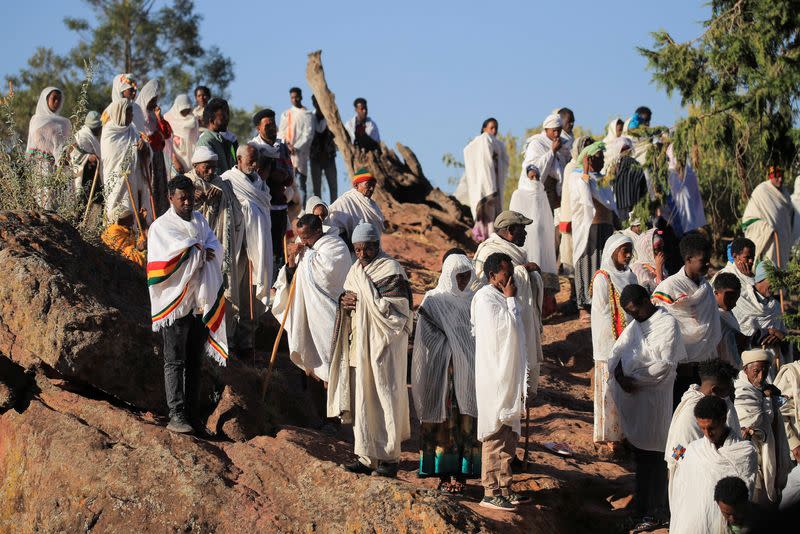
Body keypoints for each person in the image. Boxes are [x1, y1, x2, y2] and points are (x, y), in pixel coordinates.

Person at [327, 222, 412, 478]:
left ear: (377, 245)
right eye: (358, 250)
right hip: (359, 346)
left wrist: (363, 299)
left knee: (385, 398)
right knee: (362, 400)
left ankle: (389, 458)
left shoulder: (391, 269)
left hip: (384, 347)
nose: (362, 255)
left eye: (367, 249)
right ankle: (366, 457)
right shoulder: (354, 271)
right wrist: (343, 300)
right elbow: (346, 299)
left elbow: (400, 312)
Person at [147, 175, 228, 433]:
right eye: (181, 197)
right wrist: (197, 251)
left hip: (198, 303)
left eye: (190, 197)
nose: (187, 202)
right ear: (171, 198)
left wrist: (201, 251)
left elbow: (215, 248)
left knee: (195, 361)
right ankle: (176, 415)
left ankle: (193, 417)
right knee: (174, 360)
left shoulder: (201, 221)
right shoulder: (162, 227)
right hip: (175, 303)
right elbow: (164, 262)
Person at [608, 283, 686, 529]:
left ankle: (657, 510)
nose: (634, 316)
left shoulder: (667, 324)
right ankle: (641, 507)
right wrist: (622, 377)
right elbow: (617, 355)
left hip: (656, 400)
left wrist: (635, 377)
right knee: (641, 457)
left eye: (636, 310)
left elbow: (662, 366)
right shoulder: (635, 327)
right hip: (638, 401)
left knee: (658, 457)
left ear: (647, 300)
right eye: (630, 313)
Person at [272, 213, 351, 428]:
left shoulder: (335, 247)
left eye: (305, 237)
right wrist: (291, 260)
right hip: (305, 315)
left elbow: (330, 278)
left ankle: (334, 419)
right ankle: (319, 418)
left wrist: (307, 257)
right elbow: (290, 276)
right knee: (310, 366)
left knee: (329, 366)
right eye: (300, 237)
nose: (302, 241)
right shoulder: (304, 248)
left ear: (318, 231)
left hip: (327, 316)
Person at [411, 253, 480, 493]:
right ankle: (442, 475)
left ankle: (462, 476)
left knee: (465, 421)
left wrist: (463, 346)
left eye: (465, 276)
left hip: (468, 371)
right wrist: (451, 343)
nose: (462, 281)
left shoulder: (475, 300)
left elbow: (478, 334)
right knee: (442, 422)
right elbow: (424, 336)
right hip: (441, 372)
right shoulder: (434, 299)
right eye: (457, 277)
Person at [472, 252, 532, 511]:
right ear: (491, 275)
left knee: (509, 436)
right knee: (496, 433)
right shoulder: (485, 299)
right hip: (495, 377)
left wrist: (510, 301)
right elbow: (503, 334)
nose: (509, 279)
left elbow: (519, 332)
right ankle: (490, 490)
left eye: (510, 273)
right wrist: (510, 301)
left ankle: (505, 487)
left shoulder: (503, 297)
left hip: (509, 376)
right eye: (505, 274)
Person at [472, 211, 544, 396]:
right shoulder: (490, 250)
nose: (526, 234)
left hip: (519, 316)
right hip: (502, 321)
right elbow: (489, 283)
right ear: (510, 230)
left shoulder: (515, 251)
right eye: (522, 230)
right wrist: (523, 270)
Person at [669, 395, 758, 534]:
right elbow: (681, 489)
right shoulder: (693, 450)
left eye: (711, 428)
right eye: (702, 428)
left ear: (723, 419)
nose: (707, 433)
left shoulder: (745, 452)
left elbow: (744, 495)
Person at [652, 233, 721, 402]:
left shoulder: (706, 288)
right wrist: (680, 360)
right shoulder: (669, 287)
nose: (707, 264)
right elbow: (660, 328)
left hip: (705, 366)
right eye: (703, 260)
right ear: (688, 259)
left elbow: (711, 325)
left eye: (708, 259)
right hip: (680, 367)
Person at [186, 146, 243, 346]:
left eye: (213, 168)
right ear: (195, 166)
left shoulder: (223, 185)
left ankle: (222, 339)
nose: (211, 172)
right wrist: (193, 200)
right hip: (196, 252)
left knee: (221, 288)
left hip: (218, 250)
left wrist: (222, 197)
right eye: (206, 168)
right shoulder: (186, 183)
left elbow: (238, 217)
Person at [221, 143, 273, 356]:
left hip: (257, 248)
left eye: (255, 161)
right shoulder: (227, 181)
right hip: (236, 246)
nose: (254, 165)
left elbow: (264, 213)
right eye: (250, 161)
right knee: (232, 291)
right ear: (239, 160)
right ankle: (228, 340)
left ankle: (247, 341)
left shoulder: (262, 186)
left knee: (251, 294)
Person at [665, 360, 741, 491]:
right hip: (695, 484)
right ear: (715, 390)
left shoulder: (719, 403)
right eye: (727, 390)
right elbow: (678, 453)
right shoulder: (690, 414)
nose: (730, 394)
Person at [590, 233, 636, 449]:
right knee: (611, 390)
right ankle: (611, 437)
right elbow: (602, 315)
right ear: (612, 252)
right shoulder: (602, 278)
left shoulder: (631, 276)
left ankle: (626, 434)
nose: (627, 256)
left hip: (629, 343)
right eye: (623, 251)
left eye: (629, 251)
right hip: (608, 343)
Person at [734, 349, 791, 505]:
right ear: (746, 369)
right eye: (756, 371)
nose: (760, 377)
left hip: (768, 447)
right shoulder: (741, 391)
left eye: (764, 372)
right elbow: (757, 422)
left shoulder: (765, 388)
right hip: (751, 450)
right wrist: (766, 399)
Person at [569, 141, 615, 321]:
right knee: (587, 264)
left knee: (604, 265)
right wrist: (586, 172)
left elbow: (611, 204)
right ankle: (583, 306)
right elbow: (584, 197)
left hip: (605, 227)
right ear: (588, 159)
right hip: (589, 229)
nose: (603, 160)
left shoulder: (602, 178)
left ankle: (602, 302)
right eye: (599, 157)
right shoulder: (577, 176)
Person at [251, 108, 297, 270]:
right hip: (261, 208)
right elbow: (254, 178)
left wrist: (282, 177)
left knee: (280, 250)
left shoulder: (281, 146)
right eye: (267, 125)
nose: (272, 128)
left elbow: (290, 177)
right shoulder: (253, 148)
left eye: (273, 124)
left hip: (280, 206)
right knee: (263, 250)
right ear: (258, 128)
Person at [454, 118, 510, 242]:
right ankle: (484, 236)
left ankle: (491, 236)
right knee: (485, 210)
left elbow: (505, 162)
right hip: (483, 182)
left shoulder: (498, 144)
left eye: (496, 128)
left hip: (495, 181)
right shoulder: (482, 140)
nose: (494, 131)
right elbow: (474, 156)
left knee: (493, 212)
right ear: (484, 129)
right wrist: (488, 185)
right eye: (491, 128)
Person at [509, 164, 559, 298]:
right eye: (531, 176)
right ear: (525, 178)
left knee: (542, 265)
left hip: (542, 238)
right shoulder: (518, 194)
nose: (535, 179)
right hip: (526, 238)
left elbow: (547, 219)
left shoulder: (542, 194)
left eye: (537, 176)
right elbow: (514, 217)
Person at [101, 100, 152, 225]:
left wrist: (144, 147)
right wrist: (135, 148)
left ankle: (132, 240)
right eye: (127, 112)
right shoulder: (109, 132)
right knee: (115, 213)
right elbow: (114, 157)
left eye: (131, 111)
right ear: (119, 113)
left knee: (132, 213)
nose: (131, 115)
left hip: (132, 180)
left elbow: (145, 153)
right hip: (116, 180)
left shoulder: (133, 130)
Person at [558, 135, 593, 314]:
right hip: (574, 221)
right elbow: (566, 197)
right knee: (573, 259)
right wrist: (566, 220)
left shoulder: (593, 170)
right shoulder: (571, 167)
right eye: (584, 146)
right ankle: (575, 298)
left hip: (589, 222)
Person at [734, 262, 787, 371]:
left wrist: (779, 336)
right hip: (750, 364)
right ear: (761, 279)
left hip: (773, 364)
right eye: (772, 279)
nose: (776, 284)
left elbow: (784, 337)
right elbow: (738, 334)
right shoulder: (742, 301)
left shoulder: (776, 306)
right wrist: (763, 333)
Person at [26, 87, 72, 206]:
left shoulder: (65, 123)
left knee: (61, 199)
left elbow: (67, 144)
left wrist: (62, 157)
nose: (57, 102)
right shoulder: (36, 120)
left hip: (61, 168)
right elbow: (34, 143)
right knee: (44, 198)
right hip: (43, 166)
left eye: (59, 99)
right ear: (45, 100)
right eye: (54, 99)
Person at [743, 165, 793, 269]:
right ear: (770, 177)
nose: (780, 179)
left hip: (784, 241)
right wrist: (766, 228)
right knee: (769, 273)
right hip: (769, 240)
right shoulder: (762, 191)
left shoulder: (786, 194)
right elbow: (747, 221)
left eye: (781, 176)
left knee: (784, 273)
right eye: (777, 177)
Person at [135, 79, 173, 215]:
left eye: (156, 99)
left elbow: (166, 134)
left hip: (157, 157)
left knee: (159, 188)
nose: (154, 103)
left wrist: (159, 118)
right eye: (152, 99)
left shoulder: (154, 114)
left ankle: (160, 215)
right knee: (147, 189)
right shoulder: (137, 113)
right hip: (145, 158)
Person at [520, 113, 568, 212]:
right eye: (554, 131)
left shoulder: (563, 145)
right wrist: (552, 151)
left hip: (554, 194)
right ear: (546, 129)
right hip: (540, 191)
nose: (557, 134)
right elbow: (534, 168)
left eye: (559, 130)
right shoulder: (537, 143)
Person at [328, 167, 384, 245]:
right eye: (368, 185)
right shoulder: (344, 201)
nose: (371, 189)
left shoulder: (374, 206)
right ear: (356, 185)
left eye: (373, 186)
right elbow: (333, 229)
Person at [278, 87, 316, 201]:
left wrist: (296, 147)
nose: (294, 100)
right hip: (286, 154)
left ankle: (302, 212)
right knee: (286, 185)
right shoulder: (286, 114)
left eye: (296, 97)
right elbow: (281, 132)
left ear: (301, 97)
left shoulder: (308, 114)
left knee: (301, 185)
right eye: (292, 98)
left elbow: (309, 134)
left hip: (300, 155)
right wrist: (287, 145)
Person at [309, 95, 338, 201]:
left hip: (329, 158)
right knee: (316, 189)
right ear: (314, 104)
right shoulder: (310, 118)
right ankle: (317, 213)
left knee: (333, 187)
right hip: (315, 159)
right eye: (316, 102)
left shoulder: (330, 117)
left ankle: (334, 212)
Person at [714, 273, 746, 368]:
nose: (734, 304)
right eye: (730, 298)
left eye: (736, 299)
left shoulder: (728, 313)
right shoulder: (711, 315)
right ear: (716, 293)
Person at [164, 94, 200, 176]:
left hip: (192, 161)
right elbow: (167, 143)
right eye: (183, 109)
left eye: (187, 109)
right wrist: (175, 160)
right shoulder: (168, 119)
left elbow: (196, 140)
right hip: (174, 162)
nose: (185, 112)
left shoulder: (193, 120)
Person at [197, 98, 235, 173]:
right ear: (211, 121)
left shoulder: (224, 140)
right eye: (223, 117)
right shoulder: (206, 142)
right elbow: (209, 174)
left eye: (227, 115)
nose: (227, 119)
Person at [70, 110, 103, 198]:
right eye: (99, 127)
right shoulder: (83, 136)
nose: (100, 129)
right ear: (95, 127)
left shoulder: (90, 136)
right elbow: (74, 155)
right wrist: (88, 157)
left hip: (92, 174)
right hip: (84, 175)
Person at [630, 228, 668, 294]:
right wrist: (659, 268)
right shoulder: (638, 269)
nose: (661, 252)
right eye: (657, 249)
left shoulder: (655, 263)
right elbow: (652, 293)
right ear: (647, 250)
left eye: (662, 247)